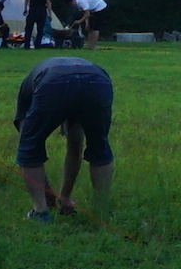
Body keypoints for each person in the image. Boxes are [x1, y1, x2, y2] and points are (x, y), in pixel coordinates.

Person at [13, 50, 114, 222]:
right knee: (100, 147)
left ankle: (40, 212)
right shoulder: (31, 87)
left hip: (53, 83)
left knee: (29, 148)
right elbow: (75, 144)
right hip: (98, 81)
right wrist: (59, 196)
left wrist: (47, 195)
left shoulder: (28, 91)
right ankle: (101, 210)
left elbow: (29, 147)